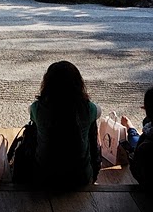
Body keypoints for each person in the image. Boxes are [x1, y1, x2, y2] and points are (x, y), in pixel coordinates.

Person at [28, 60, 101, 188]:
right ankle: (93, 172)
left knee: (35, 128)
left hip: (44, 177)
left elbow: (30, 110)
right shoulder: (87, 109)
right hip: (80, 179)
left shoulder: (38, 108)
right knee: (91, 126)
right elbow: (98, 112)